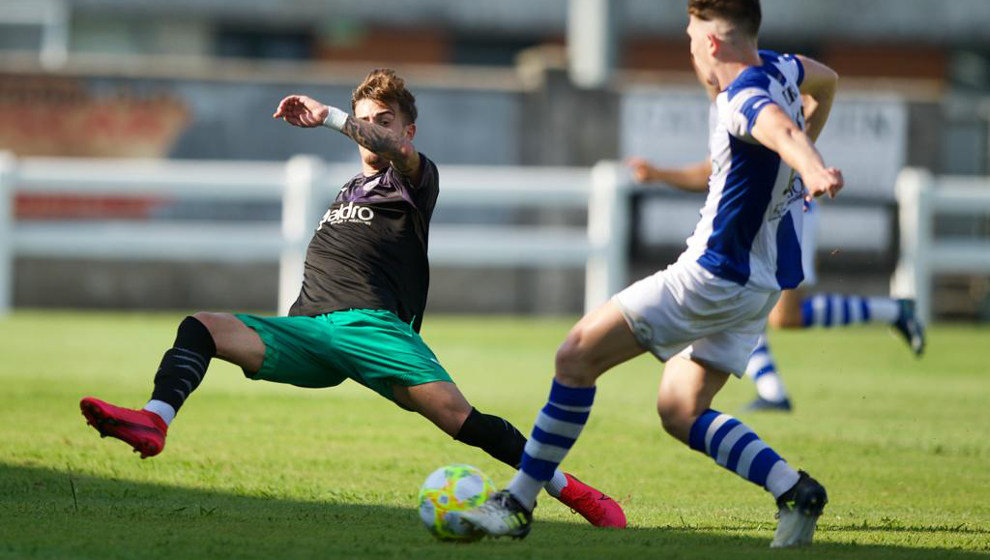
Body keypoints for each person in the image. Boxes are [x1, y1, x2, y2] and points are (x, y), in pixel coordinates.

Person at [78, 68, 626, 529]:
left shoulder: (413, 180)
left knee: (461, 420)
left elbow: (397, 152)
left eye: (381, 121)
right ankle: (154, 420)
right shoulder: (348, 191)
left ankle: (569, 490)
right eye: (364, 117)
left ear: (406, 129)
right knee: (202, 325)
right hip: (311, 331)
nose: (370, 129)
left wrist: (335, 119)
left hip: (374, 330)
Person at [460, 0, 840, 547]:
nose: (689, 49)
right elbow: (825, 82)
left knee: (575, 356)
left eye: (690, 38)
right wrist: (809, 150)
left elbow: (778, 128)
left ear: (711, 43)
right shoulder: (782, 67)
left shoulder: (743, 98)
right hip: (758, 284)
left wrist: (809, 165)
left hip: (711, 277)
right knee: (681, 409)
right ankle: (794, 489)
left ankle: (516, 503)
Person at [626, 95, 925, 413]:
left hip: (784, 214)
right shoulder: (729, 99)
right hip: (764, 216)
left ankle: (891, 312)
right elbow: (717, 170)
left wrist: (660, 175)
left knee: (780, 314)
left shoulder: (747, 94)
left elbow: (814, 97)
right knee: (747, 301)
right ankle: (773, 389)